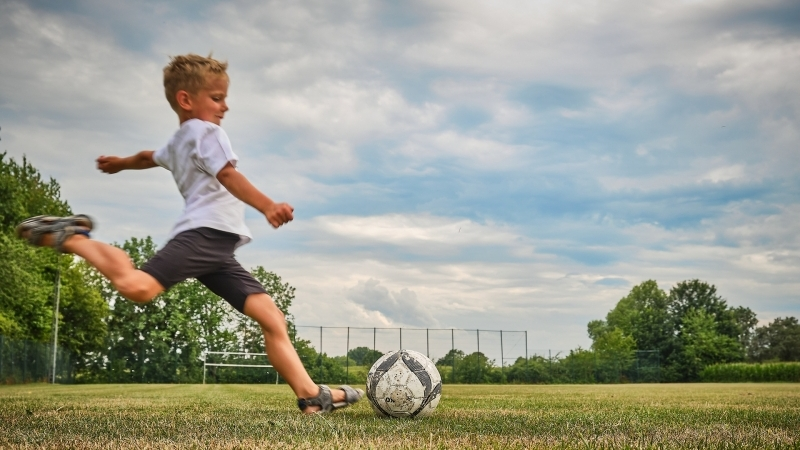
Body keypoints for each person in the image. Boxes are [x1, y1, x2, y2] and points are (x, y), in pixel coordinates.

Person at [16, 54, 362, 414]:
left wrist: (119, 163)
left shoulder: (179, 140)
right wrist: (267, 206)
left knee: (271, 317)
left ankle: (312, 397)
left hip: (218, 249)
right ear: (186, 100)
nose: (225, 107)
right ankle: (72, 237)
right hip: (203, 236)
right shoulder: (206, 132)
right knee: (138, 286)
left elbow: (149, 156)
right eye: (216, 98)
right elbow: (228, 175)